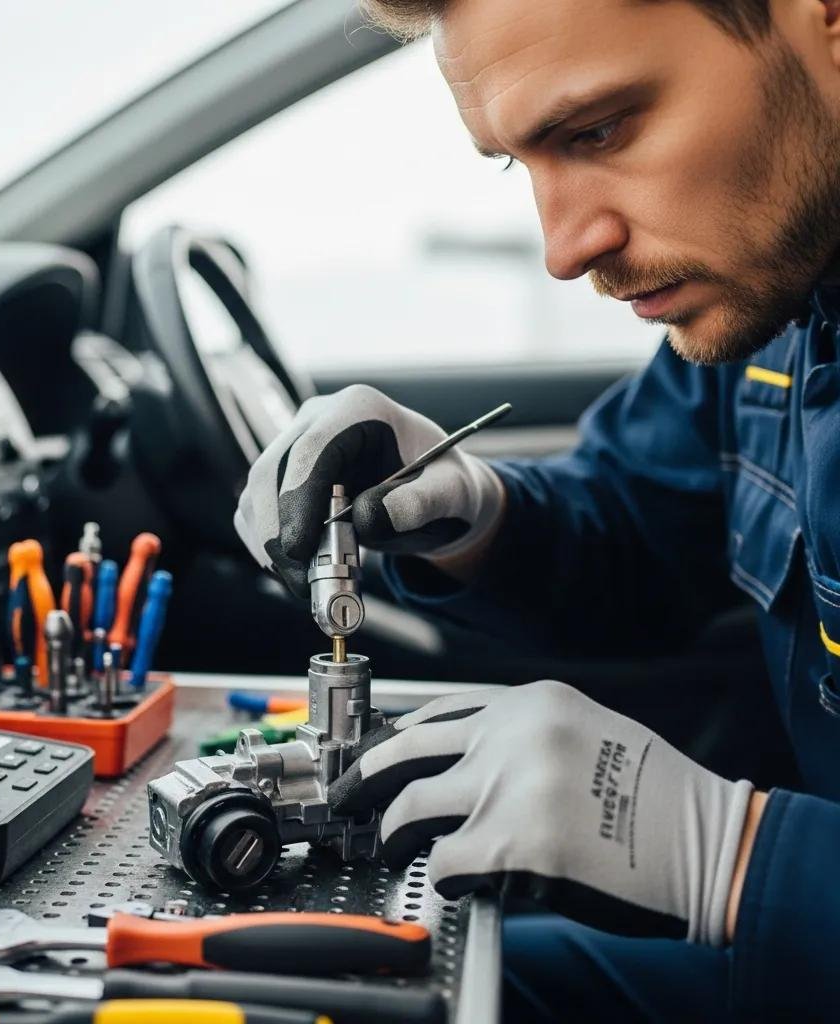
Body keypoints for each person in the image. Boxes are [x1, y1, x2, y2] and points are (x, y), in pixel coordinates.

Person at [233, 0, 840, 1017]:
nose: (564, 248)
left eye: (599, 130)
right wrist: (472, 513)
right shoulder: (785, 288)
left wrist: (736, 859)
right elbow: (639, 529)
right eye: (521, 163)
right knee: (328, 989)